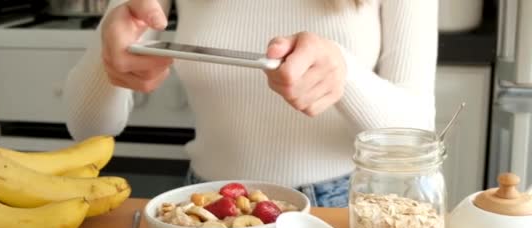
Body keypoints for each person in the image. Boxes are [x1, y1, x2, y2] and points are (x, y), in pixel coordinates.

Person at [64, 0, 438, 208]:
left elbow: (416, 135)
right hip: (205, 206)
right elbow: (88, 126)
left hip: (338, 212)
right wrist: (108, 56)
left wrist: (344, 74)